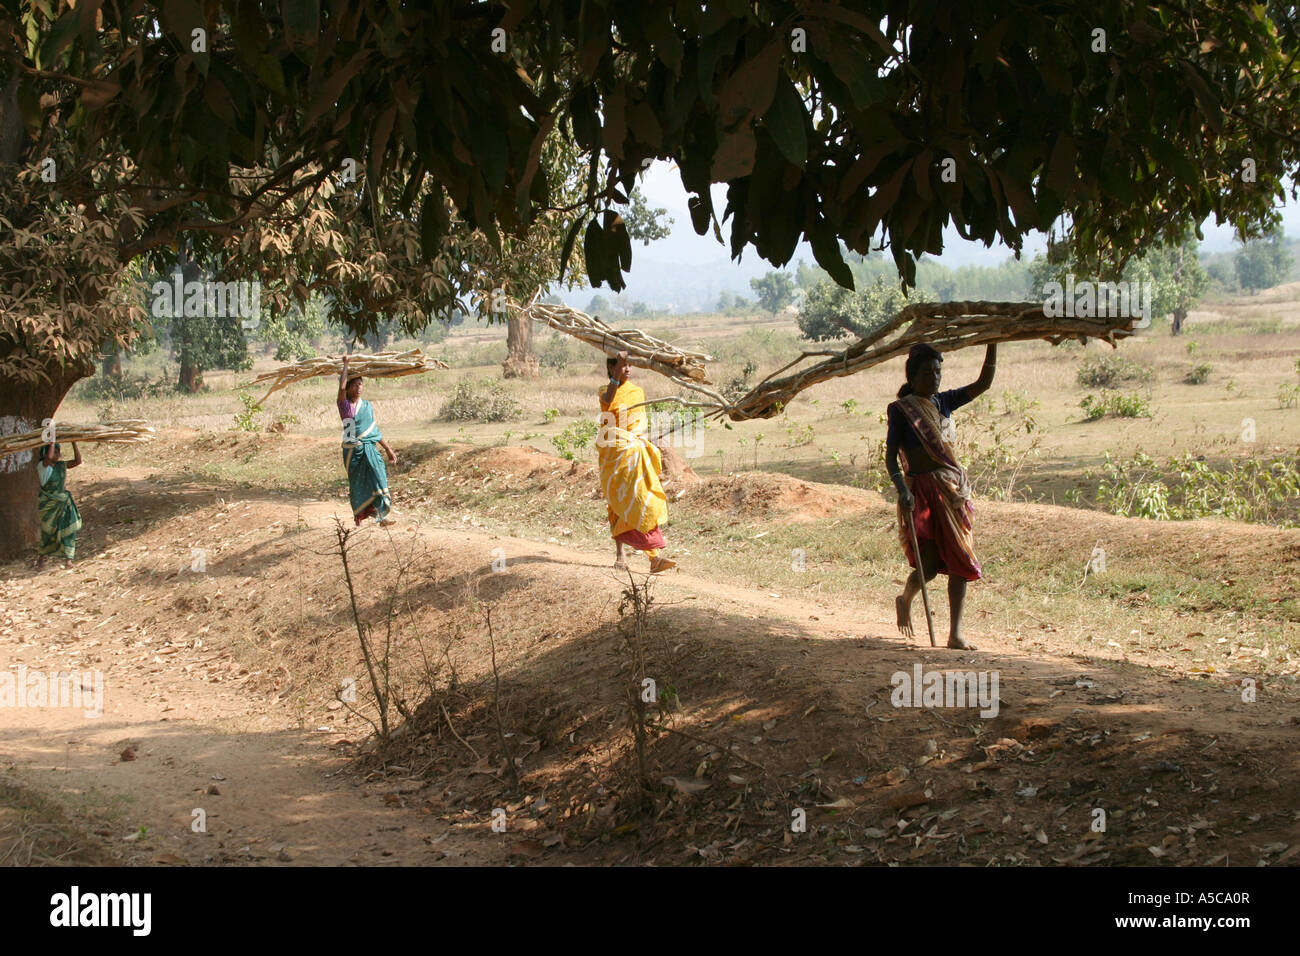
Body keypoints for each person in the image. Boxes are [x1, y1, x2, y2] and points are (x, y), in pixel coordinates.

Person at [884, 342, 997, 649]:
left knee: (960, 555)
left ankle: (955, 634)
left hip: (951, 492)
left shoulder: (944, 402)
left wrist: (993, 341)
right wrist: (902, 489)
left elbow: (983, 384)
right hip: (920, 493)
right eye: (927, 372)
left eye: (938, 371)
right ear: (912, 375)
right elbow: (891, 457)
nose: (934, 377)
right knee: (930, 564)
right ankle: (906, 598)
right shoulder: (901, 410)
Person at [598, 350, 676, 573]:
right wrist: (616, 374)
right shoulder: (604, 391)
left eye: (630, 366)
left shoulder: (637, 392)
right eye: (623, 366)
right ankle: (620, 555)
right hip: (614, 455)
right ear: (611, 369)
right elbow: (608, 400)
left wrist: (647, 437)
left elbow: (638, 423)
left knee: (643, 499)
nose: (628, 370)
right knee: (618, 502)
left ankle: (654, 558)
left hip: (636, 454)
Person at [337, 355, 398, 527]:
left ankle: (381, 515)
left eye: (360, 384)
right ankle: (365, 516)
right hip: (352, 451)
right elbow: (341, 387)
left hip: (369, 448)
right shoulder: (344, 404)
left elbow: (374, 431)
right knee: (358, 485)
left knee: (379, 477)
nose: (358, 388)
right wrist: (346, 365)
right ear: (348, 388)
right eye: (355, 385)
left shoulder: (367, 406)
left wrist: (388, 449)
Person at [35, 442, 83, 569]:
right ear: (47, 453)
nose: (58, 454)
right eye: (55, 451)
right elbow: (48, 458)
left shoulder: (61, 465)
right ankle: (41, 559)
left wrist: (74, 442)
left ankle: (68, 559)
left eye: (58, 451)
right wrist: (51, 441)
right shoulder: (42, 466)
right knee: (48, 532)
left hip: (63, 502)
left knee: (69, 529)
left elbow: (78, 461)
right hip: (49, 505)